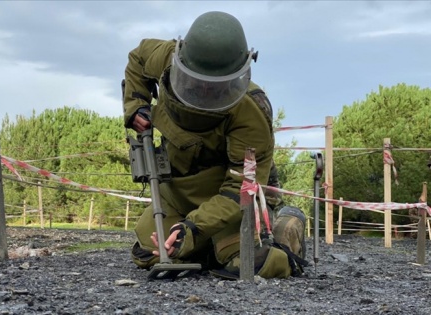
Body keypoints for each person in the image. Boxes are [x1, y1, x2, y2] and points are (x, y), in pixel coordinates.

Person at [123, 11, 306, 279]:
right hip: (178, 192)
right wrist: (136, 105)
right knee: (148, 254)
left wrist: (193, 229)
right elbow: (138, 58)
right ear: (180, 56)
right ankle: (208, 247)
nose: (205, 92)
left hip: (228, 202)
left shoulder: (252, 113)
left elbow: (238, 190)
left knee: (250, 264)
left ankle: (284, 225)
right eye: (196, 81)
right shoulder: (165, 57)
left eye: (216, 86)